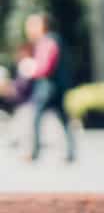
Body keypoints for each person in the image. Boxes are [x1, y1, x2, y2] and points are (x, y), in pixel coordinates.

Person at [23, 12, 75, 162]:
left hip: (47, 86)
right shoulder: (55, 39)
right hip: (59, 86)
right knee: (63, 119)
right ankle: (70, 153)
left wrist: (32, 70)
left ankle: (34, 152)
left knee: (36, 118)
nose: (30, 29)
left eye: (34, 25)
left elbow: (45, 66)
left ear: (43, 26)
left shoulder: (46, 41)